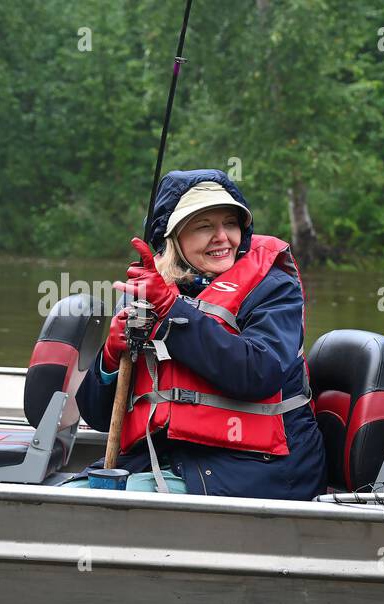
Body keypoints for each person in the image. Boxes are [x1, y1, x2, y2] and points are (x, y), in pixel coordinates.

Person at [76, 169, 325, 499]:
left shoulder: (275, 288)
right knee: (71, 496)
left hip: (263, 466)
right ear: (173, 237)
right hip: (170, 457)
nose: (222, 237)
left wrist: (171, 311)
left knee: (99, 507)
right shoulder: (146, 289)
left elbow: (259, 373)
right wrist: (109, 357)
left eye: (230, 223)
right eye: (205, 226)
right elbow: (98, 418)